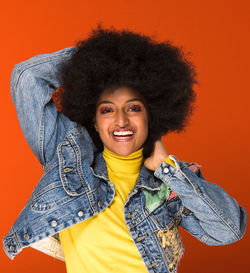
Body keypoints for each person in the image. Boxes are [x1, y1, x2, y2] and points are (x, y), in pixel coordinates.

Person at [3, 25, 247, 273]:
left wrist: (169, 169)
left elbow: (229, 231)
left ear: (151, 116)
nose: (121, 120)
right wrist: (100, 57)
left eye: (133, 108)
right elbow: (27, 77)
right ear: (94, 122)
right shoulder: (68, 163)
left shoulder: (167, 184)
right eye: (107, 110)